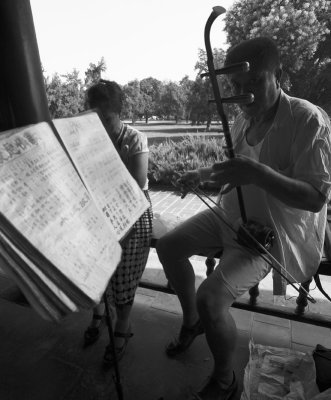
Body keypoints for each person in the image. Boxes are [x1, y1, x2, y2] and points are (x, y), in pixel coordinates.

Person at [156, 37, 331, 400]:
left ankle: (224, 379)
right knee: (169, 245)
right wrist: (200, 174)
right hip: (229, 216)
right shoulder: (241, 120)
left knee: (212, 298)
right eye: (237, 86)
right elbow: (232, 170)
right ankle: (191, 322)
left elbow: (316, 198)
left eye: (254, 82)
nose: (245, 93)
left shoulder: (307, 119)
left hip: (265, 235)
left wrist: (258, 173)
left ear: (278, 74)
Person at [83, 80, 153, 368]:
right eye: (93, 118)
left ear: (118, 112)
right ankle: (98, 314)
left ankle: (122, 327)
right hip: (100, 213)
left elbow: (135, 187)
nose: (100, 125)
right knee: (96, 271)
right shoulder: (88, 142)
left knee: (123, 278)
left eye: (106, 118)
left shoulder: (134, 139)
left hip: (132, 217)